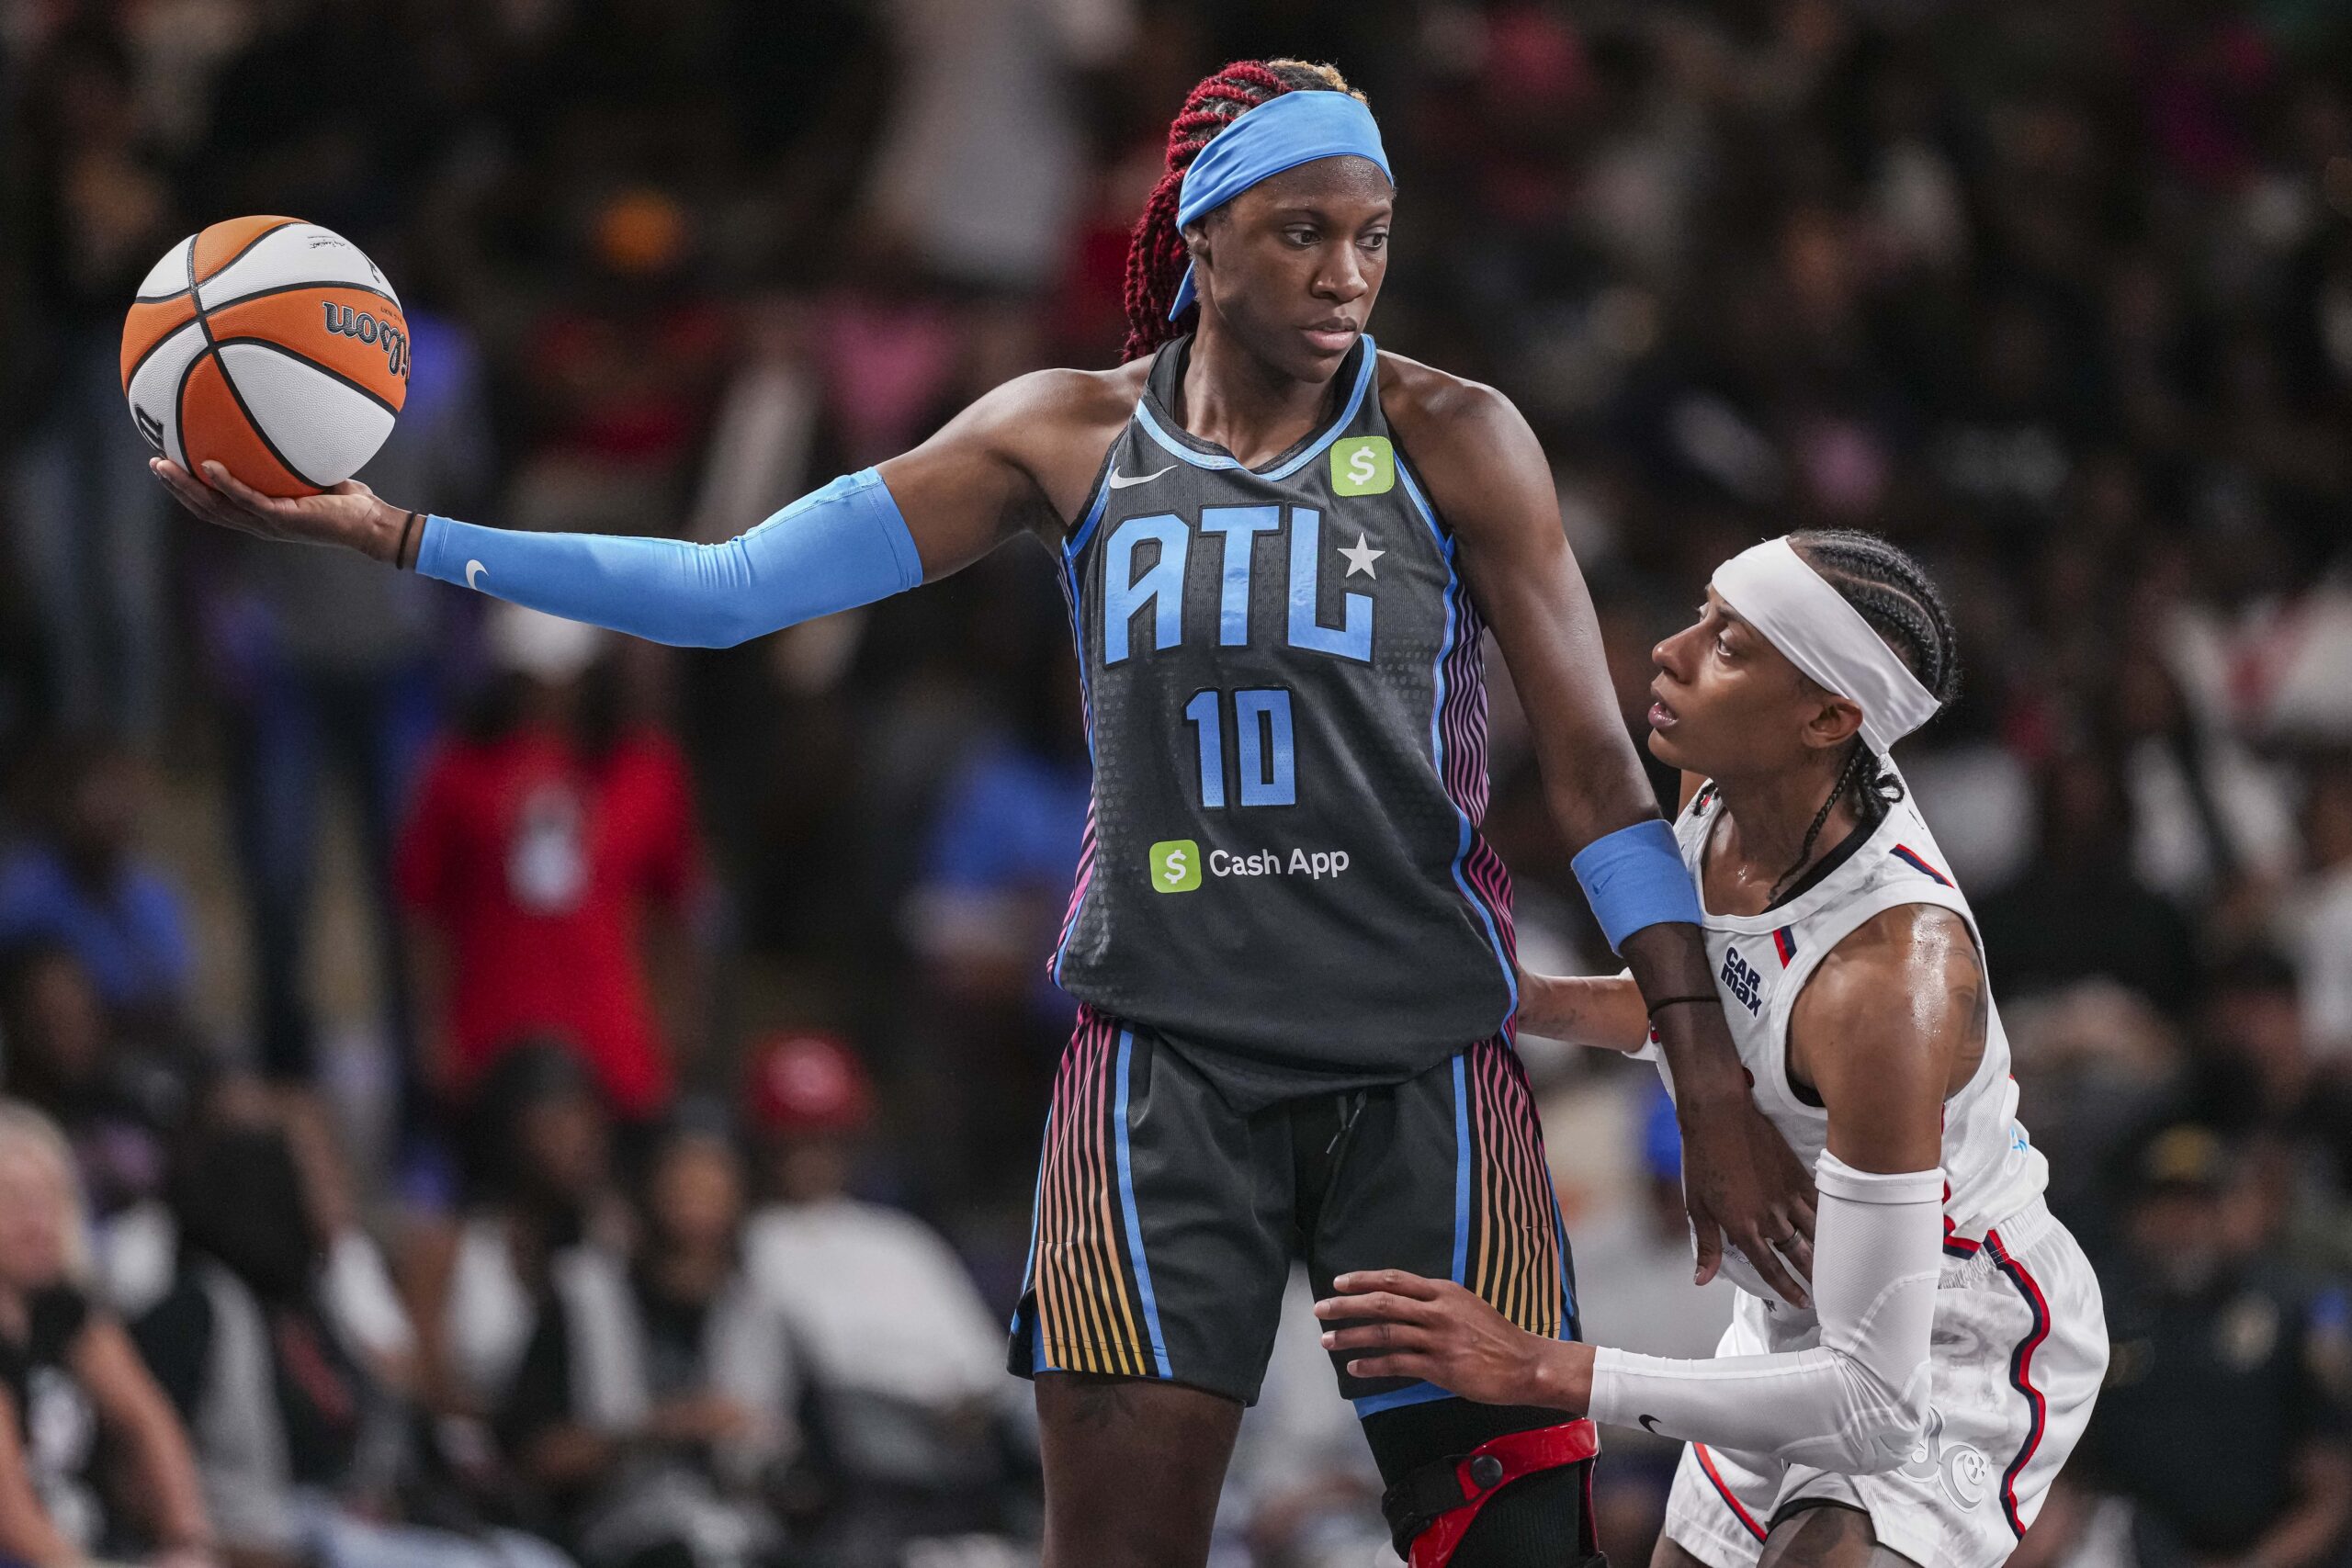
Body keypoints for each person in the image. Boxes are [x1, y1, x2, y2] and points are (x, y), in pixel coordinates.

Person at [152, 58, 1812, 1568]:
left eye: (1373, 235)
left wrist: (1705, 1070)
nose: (1346, 275)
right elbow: (732, 588)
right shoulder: (1061, 435)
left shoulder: (1460, 435)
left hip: (1429, 1074)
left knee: (1522, 1555)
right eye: (1302, 230)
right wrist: (399, 537)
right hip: (1165, 1074)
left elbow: (1597, 777)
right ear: (1203, 236)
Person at [1320, 533, 2110, 1568]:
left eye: (1728, 646)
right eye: (1701, 613)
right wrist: (1509, 998)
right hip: (1791, 1317)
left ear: (1828, 718)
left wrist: (1540, 1370)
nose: (1669, 652)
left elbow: (1874, 1399)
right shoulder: (1720, 781)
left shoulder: (1892, 979)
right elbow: (1709, 1009)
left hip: (1944, 1339)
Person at [393, 604, 709, 1129]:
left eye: (565, 677)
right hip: (490, 1047)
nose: (549, 695)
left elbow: (675, 912)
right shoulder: (458, 770)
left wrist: (676, 1030)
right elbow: (423, 913)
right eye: (532, 679)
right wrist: (433, 1034)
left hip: (615, 1053)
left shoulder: (646, 772)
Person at [498, 1110, 797, 1568]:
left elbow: (817, 1464)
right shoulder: (584, 1297)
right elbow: (531, 1456)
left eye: (711, 1185)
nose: (695, 1201)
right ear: (646, 1190)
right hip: (615, 1537)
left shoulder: (764, 1310)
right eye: (681, 1183)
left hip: (749, 1537)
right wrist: (662, 1429)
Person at [2076, 1124, 2351, 1568]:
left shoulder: (2287, 1312)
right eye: (2165, 1206)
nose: (2182, 1225)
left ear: (2233, 1212)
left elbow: (2331, 1488)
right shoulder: (2099, 1316)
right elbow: (2065, 1476)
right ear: (2135, 1217)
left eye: (2199, 1206)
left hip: (2269, 1555)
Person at [0, 1100, 214, 1568]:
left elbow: (149, 1420)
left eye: (48, 1199)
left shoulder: (67, 1313)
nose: (37, 1221)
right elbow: (10, 1518)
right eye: (14, 1201)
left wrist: (188, 1541)